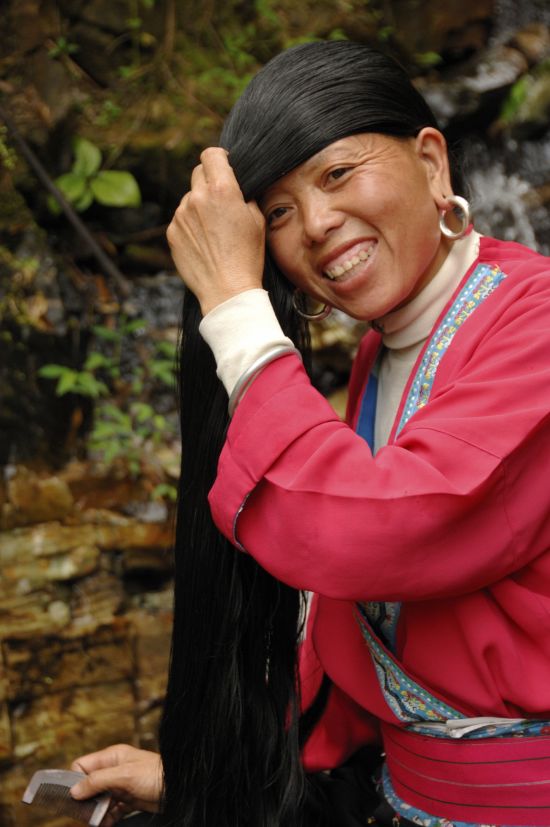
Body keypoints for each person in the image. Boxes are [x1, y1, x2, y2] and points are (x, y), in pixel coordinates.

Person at [69, 41, 550, 826]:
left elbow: (374, 531)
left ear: (432, 164)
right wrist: (205, 775)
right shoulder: (380, 354)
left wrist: (234, 311)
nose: (318, 225)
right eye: (280, 213)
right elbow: (358, 645)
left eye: (336, 174)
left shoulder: (538, 321)